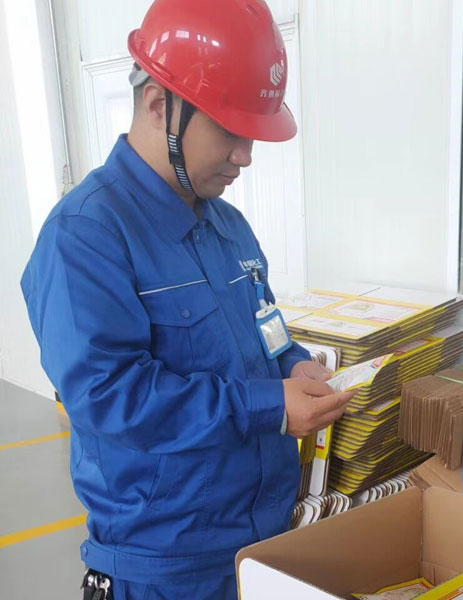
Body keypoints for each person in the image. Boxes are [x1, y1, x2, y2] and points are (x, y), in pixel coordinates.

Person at [21, 1, 353, 598]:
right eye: (229, 131)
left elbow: (266, 325)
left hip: (264, 545)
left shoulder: (228, 225)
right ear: (158, 105)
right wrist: (269, 407)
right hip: (167, 567)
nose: (245, 156)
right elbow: (110, 398)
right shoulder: (85, 237)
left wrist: (293, 362)